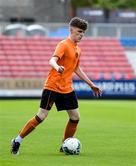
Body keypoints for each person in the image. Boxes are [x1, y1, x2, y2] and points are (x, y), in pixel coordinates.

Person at [11, 17, 102, 155]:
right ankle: (17, 140)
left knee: (75, 117)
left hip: (67, 88)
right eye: (79, 31)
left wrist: (91, 85)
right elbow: (52, 60)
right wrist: (57, 66)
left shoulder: (78, 49)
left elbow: (76, 68)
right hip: (53, 86)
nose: (81, 35)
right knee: (41, 116)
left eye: (83, 32)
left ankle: (65, 144)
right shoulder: (63, 44)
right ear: (71, 30)